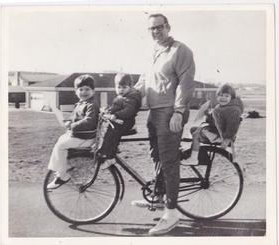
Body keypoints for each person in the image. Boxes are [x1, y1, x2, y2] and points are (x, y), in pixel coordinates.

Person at [133, 13, 196, 235]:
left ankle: (171, 214)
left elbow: (186, 84)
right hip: (154, 111)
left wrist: (179, 111)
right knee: (156, 156)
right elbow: (143, 82)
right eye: (151, 28)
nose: (156, 31)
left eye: (159, 27)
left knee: (169, 162)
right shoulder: (153, 52)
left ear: (168, 27)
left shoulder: (180, 50)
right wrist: (124, 98)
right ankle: (159, 196)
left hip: (170, 111)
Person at [47, 74, 99, 189]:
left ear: (93, 91)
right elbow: (75, 117)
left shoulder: (91, 105)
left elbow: (89, 121)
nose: (84, 92)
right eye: (81, 89)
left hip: (86, 138)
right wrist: (69, 121)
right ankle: (61, 169)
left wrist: (72, 125)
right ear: (76, 91)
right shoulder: (80, 104)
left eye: (87, 89)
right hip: (80, 136)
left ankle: (62, 175)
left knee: (61, 146)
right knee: (60, 140)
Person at [183, 83, 244, 165]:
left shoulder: (233, 110)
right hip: (215, 131)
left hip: (222, 136)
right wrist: (208, 115)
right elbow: (215, 121)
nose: (223, 98)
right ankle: (200, 155)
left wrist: (227, 139)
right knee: (194, 130)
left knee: (196, 134)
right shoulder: (221, 107)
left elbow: (232, 126)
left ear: (231, 98)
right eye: (220, 95)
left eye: (226, 96)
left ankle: (194, 158)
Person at [97, 73, 141, 164]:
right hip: (120, 120)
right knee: (107, 130)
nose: (121, 90)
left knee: (113, 132)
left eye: (124, 87)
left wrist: (116, 114)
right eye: (118, 87)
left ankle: (110, 154)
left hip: (126, 121)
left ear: (130, 87)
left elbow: (129, 111)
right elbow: (115, 107)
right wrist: (107, 110)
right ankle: (106, 148)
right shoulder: (121, 97)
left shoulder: (131, 98)